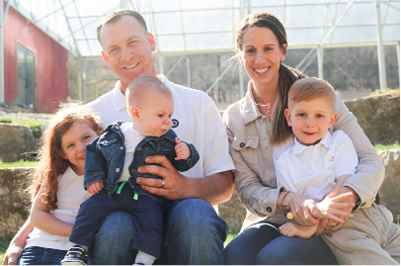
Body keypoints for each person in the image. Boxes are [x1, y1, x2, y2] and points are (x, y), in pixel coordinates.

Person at [3, 9, 235, 266]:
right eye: (114, 49)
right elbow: (58, 183)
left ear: (151, 41)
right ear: (105, 57)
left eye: (133, 42)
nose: (126, 55)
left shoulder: (198, 103)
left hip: (185, 221)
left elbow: (225, 184)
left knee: (196, 214)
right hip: (125, 210)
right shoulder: (92, 116)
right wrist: (19, 239)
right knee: (115, 224)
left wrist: (185, 187)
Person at [223, 12, 385, 265]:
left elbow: (370, 161)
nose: (260, 59)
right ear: (239, 53)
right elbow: (247, 187)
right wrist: (289, 200)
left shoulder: (316, 95)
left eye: (268, 49)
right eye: (250, 50)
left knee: (275, 257)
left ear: (283, 51)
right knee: (236, 254)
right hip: (274, 218)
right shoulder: (234, 118)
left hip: (330, 217)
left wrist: (338, 202)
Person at [61, 76, 199, 266]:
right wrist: (94, 177)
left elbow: (182, 164)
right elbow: (94, 150)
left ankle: (144, 259)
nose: (168, 121)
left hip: (144, 194)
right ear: (136, 113)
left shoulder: (167, 139)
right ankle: (77, 249)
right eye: (161, 115)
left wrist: (188, 153)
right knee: (89, 209)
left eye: (170, 116)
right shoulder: (116, 133)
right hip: (113, 190)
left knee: (152, 220)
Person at [276, 77, 401, 266]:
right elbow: (295, 205)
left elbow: (346, 179)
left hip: (373, 215)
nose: (310, 123)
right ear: (288, 117)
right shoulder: (285, 162)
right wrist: (310, 224)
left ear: (332, 119)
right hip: (342, 229)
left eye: (319, 116)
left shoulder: (339, 141)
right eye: (302, 114)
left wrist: (334, 205)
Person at [16, 104, 102, 266]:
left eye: (86, 138)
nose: (81, 148)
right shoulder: (56, 175)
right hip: (38, 247)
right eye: (71, 145)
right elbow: (37, 216)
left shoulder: (109, 175)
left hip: (73, 254)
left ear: (99, 133)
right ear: (62, 153)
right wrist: (78, 231)